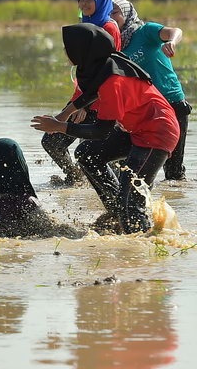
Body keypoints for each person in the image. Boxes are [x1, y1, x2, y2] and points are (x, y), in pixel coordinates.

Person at [31, 23, 179, 234]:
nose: (66, 51)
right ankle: (117, 211)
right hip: (138, 128)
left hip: (157, 132)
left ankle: (142, 244)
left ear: (83, 50)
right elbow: (92, 92)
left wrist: (60, 126)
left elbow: (101, 131)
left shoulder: (112, 81)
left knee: (131, 198)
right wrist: (65, 114)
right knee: (87, 154)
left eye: (69, 47)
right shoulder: (104, 65)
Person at [41, 0, 122, 187]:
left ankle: (111, 189)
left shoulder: (108, 27)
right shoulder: (87, 23)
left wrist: (84, 106)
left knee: (95, 151)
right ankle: (76, 177)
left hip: (99, 99)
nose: (84, 3)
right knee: (52, 141)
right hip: (82, 94)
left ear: (101, 1)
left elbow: (105, 71)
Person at [111, 0, 190, 180]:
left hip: (172, 101)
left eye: (115, 12)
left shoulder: (145, 31)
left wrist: (171, 42)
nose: (111, 17)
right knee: (132, 165)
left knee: (173, 172)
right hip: (145, 109)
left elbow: (176, 31)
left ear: (127, 14)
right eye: (107, 14)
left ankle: (176, 194)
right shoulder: (114, 44)